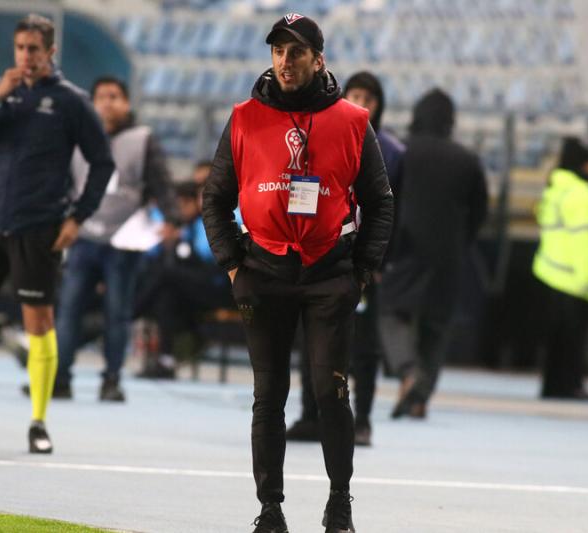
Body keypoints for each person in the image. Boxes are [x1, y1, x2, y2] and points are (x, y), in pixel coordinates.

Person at [202, 14, 393, 533]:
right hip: (261, 272)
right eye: (278, 51)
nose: (286, 60)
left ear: (319, 59)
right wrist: (233, 263)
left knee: (331, 391)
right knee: (269, 395)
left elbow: (380, 201)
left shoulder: (353, 121)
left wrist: (362, 271)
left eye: (297, 51)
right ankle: (270, 510)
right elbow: (214, 198)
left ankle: (339, 503)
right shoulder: (243, 117)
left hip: (330, 274)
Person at [0, 14, 114, 454]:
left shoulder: (71, 101)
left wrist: (77, 218)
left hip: (39, 227)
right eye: (20, 48)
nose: (26, 57)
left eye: (34, 49)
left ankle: (39, 421)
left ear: (51, 52)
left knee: (39, 324)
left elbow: (102, 163)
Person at [286, 71, 404, 447]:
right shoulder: (317, 137)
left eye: (370, 98)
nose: (363, 104)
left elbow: (394, 212)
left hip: (365, 260)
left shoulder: (394, 153)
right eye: (355, 95)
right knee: (312, 336)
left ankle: (364, 419)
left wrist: (379, 261)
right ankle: (309, 415)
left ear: (380, 105)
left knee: (364, 345)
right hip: (321, 254)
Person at [49, 76, 177, 402]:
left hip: (124, 241)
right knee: (68, 311)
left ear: (127, 103)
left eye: (115, 96)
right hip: (82, 236)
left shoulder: (142, 139)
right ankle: (59, 378)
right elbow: (61, 182)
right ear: (91, 103)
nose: (108, 102)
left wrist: (173, 220)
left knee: (117, 313)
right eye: (101, 97)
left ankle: (111, 381)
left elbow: (161, 182)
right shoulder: (77, 137)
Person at [379, 88, 488, 419]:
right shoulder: (467, 160)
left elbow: (386, 199)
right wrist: (461, 241)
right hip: (450, 253)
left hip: (405, 246)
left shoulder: (404, 152)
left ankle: (408, 371)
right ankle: (420, 398)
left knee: (391, 312)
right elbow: (480, 212)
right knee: (436, 326)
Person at [533, 137, 588, 401]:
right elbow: (584, 242)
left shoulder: (555, 190)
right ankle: (571, 385)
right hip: (577, 277)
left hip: (553, 272)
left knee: (557, 339)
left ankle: (553, 385)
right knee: (574, 340)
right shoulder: (580, 195)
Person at [134, 179, 235, 379]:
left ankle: (133, 309)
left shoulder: (213, 222)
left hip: (217, 287)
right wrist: (167, 243)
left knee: (167, 275)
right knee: (166, 295)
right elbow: (148, 254)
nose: (178, 209)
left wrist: (179, 241)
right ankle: (166, 360)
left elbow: (211, 258)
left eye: (182, 204)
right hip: (189, 289)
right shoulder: (179, 226)